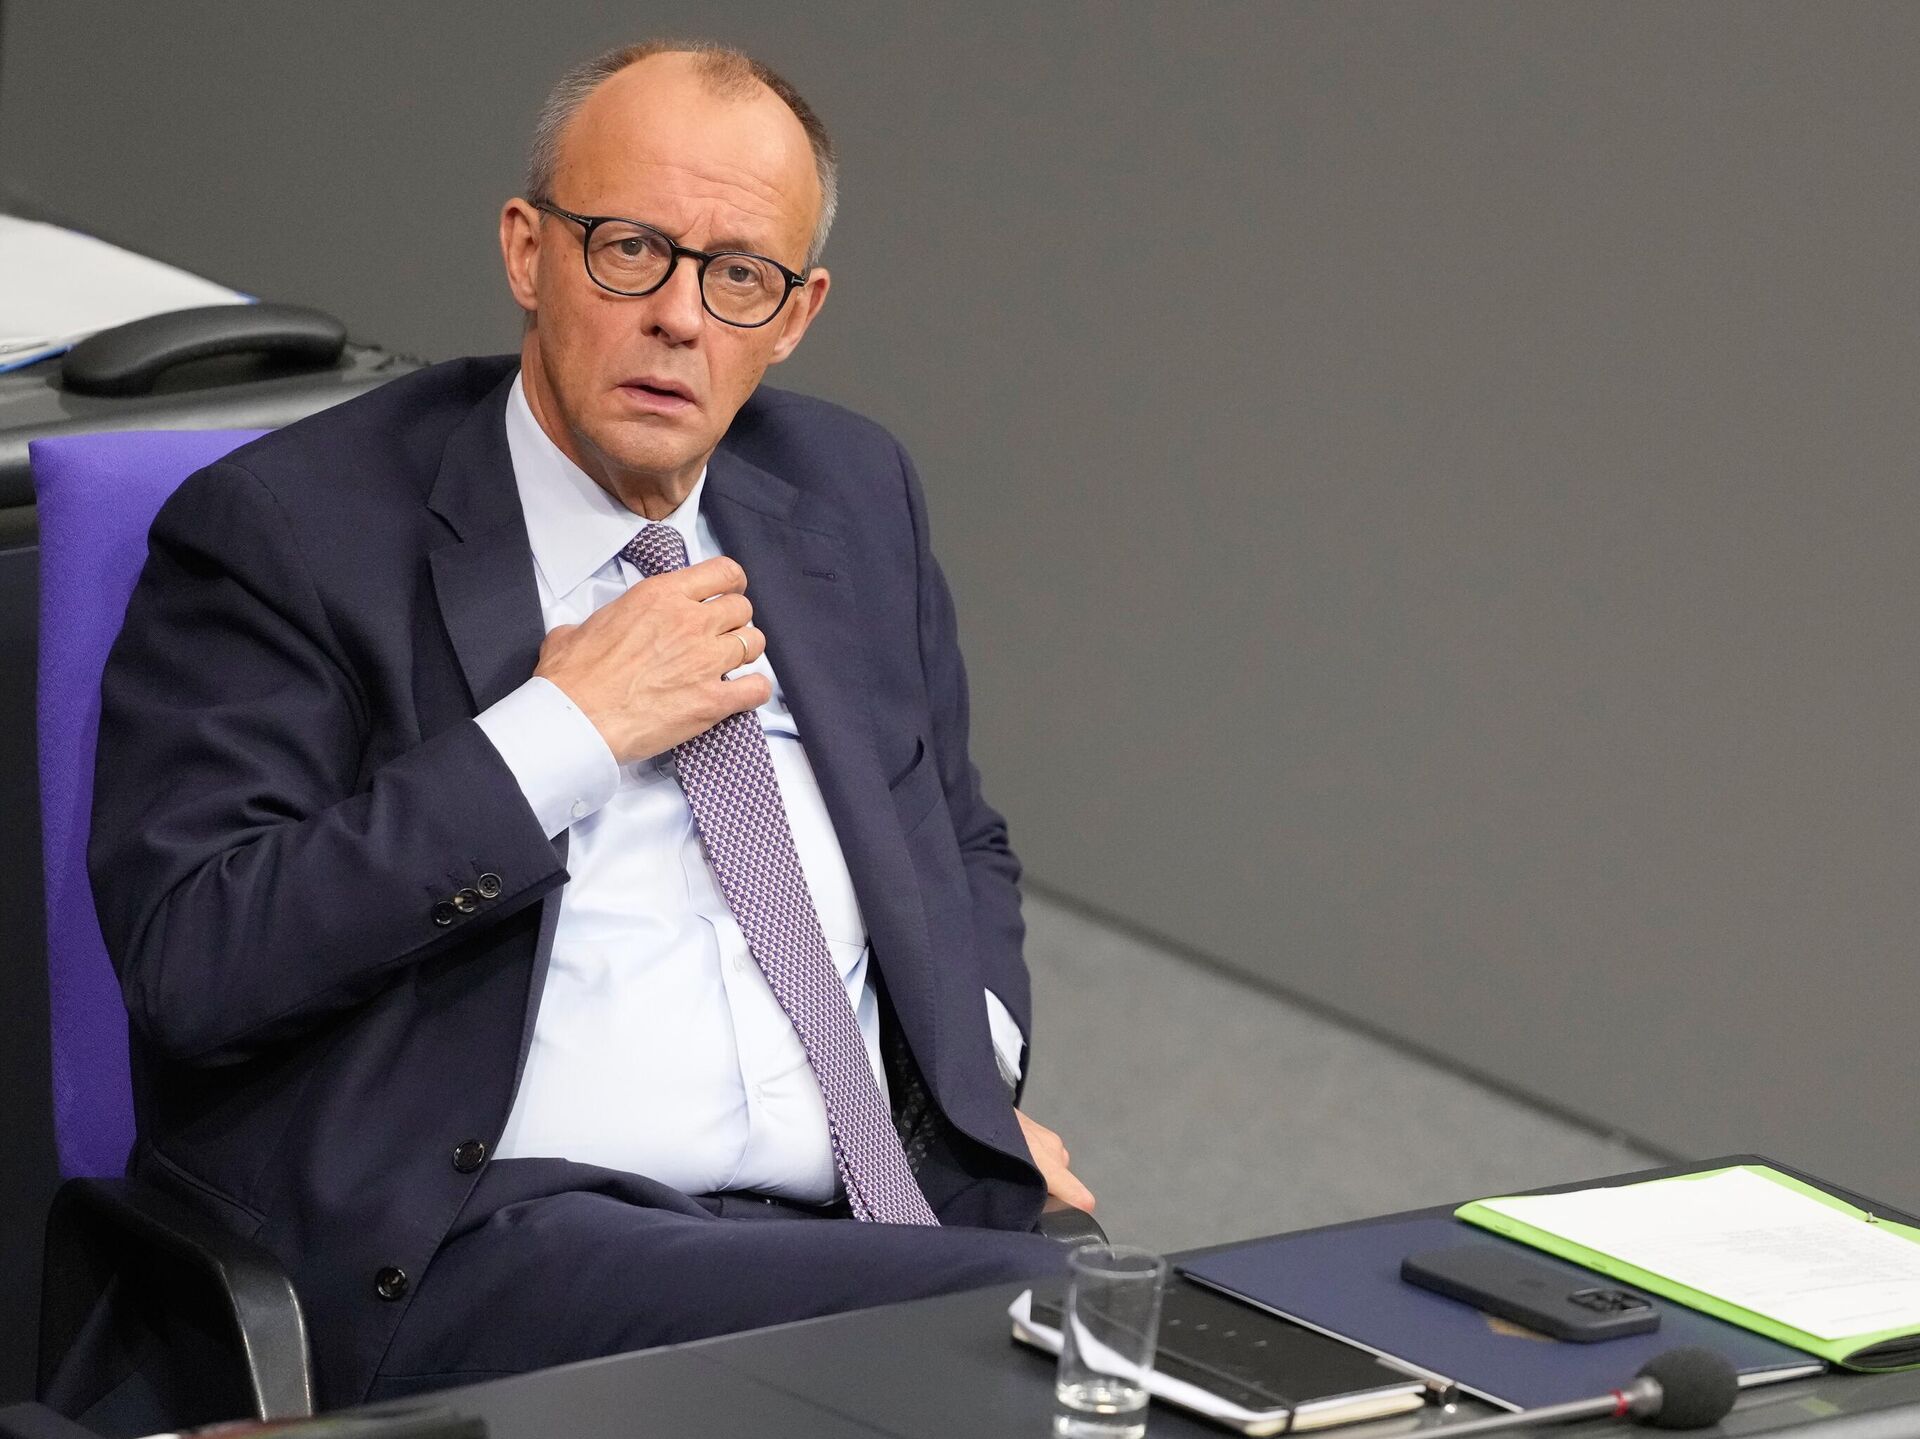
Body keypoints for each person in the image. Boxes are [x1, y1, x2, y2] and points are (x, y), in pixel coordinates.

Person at [87, 39, 1092, 1411]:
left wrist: (966, 1083)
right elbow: (198, 958)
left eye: (738, 276)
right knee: (1047, 1342)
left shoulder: (851, 492)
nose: (680, 316)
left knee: (1125, 1337)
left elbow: (956, 835)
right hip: (483, 1236)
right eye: (632, 251)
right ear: (528, 251)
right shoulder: (293, 532)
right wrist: (561, 731)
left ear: (794, 315)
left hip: (863, 1209)